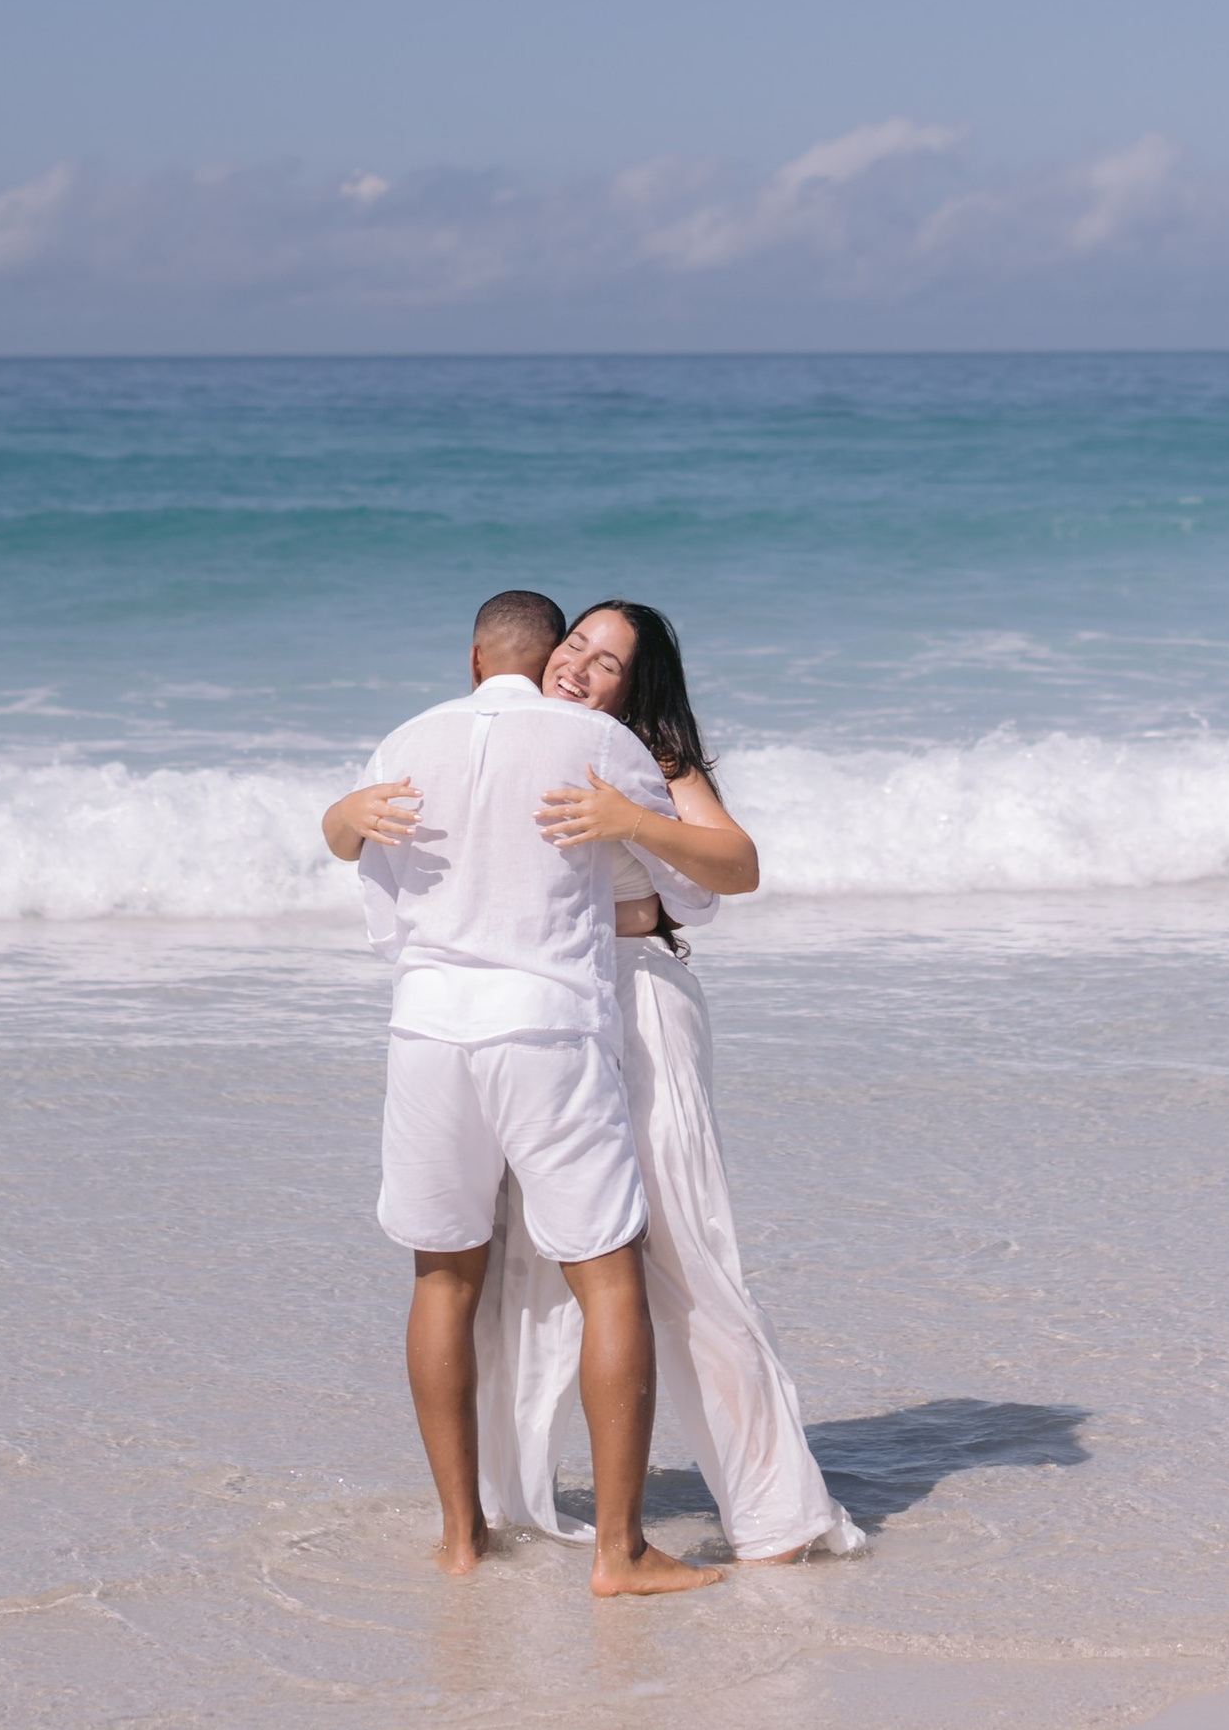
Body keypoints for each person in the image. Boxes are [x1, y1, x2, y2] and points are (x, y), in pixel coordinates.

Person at [321, 588, 722, 1599]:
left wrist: (339, 824)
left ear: (471, 659)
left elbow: (378, 904)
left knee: (442, 1279)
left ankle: (460, 1538)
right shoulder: (598, 747)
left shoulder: (403, 742)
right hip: (546, 1027)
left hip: (427, 1032)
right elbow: (693, 894)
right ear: (547, 657)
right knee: (606, 1277)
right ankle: (620, 1553)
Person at [490, 601, 864, 1565]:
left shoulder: (646, 754)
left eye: (607, 662)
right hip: (540, 1010)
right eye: (575, 644)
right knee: (529, 1261)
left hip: (641, 1003)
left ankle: (778, 1514)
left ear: (634, 687)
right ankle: (512, 1501)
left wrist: (629, 815)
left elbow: (737, 865)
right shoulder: (506, 735)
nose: (579, 667)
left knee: (682, 1255)